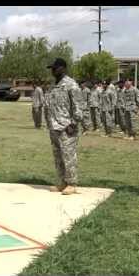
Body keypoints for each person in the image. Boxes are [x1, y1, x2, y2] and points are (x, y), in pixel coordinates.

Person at [44, 58, 82, 195]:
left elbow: (79, 106)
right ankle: (62, 182)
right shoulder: (53, 85)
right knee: (58, 156)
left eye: (55, 68)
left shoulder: (71, 84)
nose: (53, 71)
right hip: (54, 126)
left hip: (67, 127)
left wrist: (73, 123)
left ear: (63, 68)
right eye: (52, 69)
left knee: (68, 155)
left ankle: (72, 183)